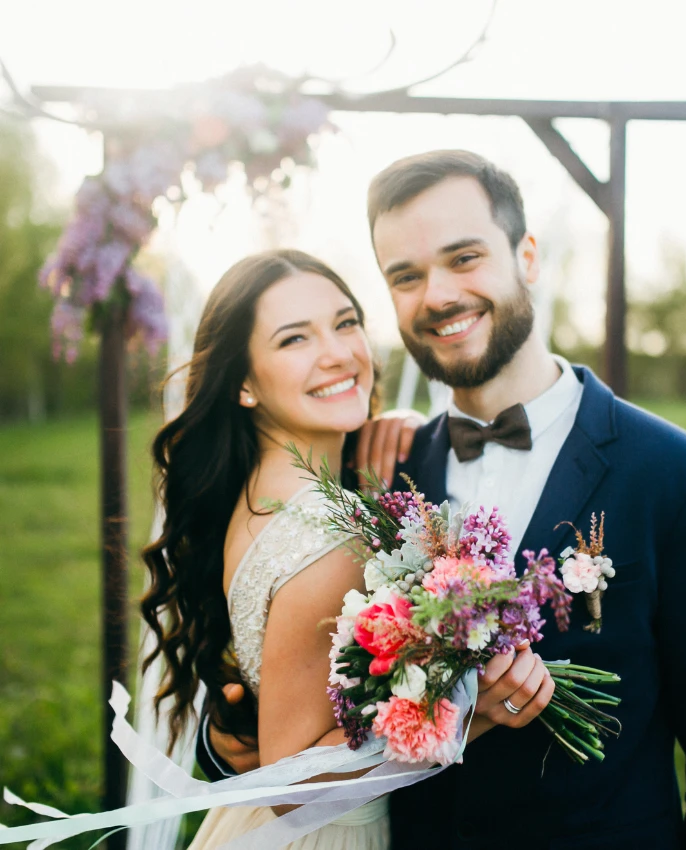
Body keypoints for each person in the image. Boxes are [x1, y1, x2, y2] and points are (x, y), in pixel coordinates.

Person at [204, 152, 686, 849]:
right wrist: (226, 732)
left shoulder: (678, 478)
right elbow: (287, 686)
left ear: (526, 257)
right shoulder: (378, 473)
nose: (438, 295)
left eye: (464, 258)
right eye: (406, 276)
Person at [144, 247, 553, 850]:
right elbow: (291, 788)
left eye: (344, 323)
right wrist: (467, 709)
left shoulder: (265, 493)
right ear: (243, 384)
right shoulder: (326, 539)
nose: (337, 353)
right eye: (294, 339)